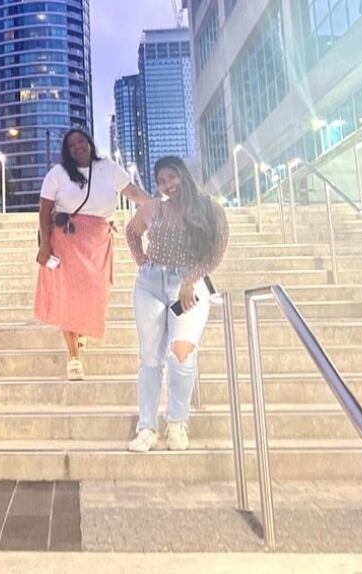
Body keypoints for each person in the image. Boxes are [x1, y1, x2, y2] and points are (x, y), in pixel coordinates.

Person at [125, 155, 229, 452]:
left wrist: (190, 280)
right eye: (161, 181)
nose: (167, 185)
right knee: (150, 357)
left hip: (188, 289)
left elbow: (216, 253)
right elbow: (132, 233)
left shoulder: (209, 208)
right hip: (150, 287)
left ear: (182, 175)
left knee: (181, 352)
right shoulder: (154, 208)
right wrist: (141, 260)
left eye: (171, 177)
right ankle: (146, 427)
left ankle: (177, 422)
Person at [35, 128, 150, 380]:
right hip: (66, 238)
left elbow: (131, 191)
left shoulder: (106, 167)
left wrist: (154, 204)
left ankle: (81, 328)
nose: (78, 146)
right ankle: (73, 357)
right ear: (67, 150)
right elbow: (44, 211)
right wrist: (45, 245)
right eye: (72, 144)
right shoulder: (58, 173)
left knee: (94, 293)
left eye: (81, 141)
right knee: (68, 294)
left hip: (97, 239)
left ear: (89, 142)